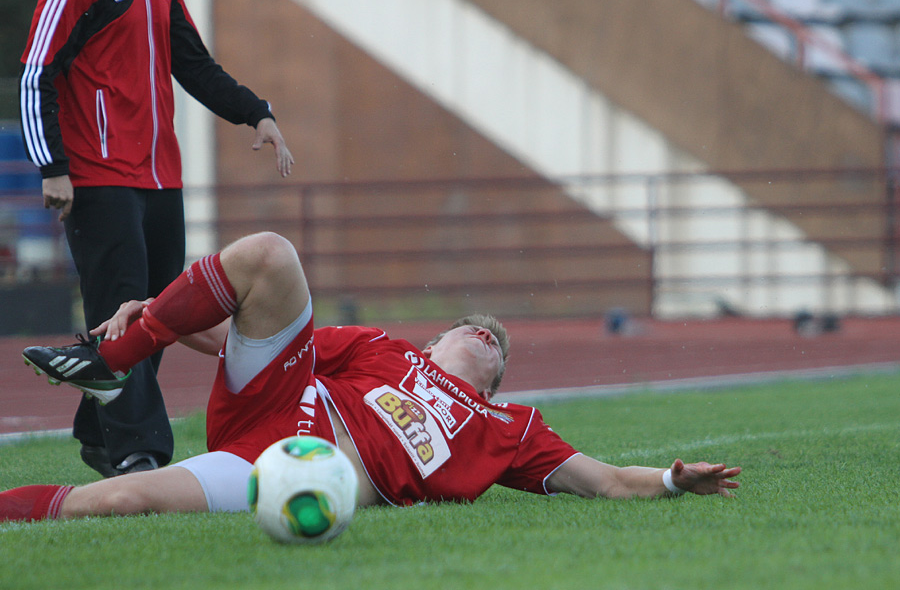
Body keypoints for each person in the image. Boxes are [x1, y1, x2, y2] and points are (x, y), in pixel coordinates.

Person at [2, 232, 740, 522]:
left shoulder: (508, 429)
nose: (488, 336)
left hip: (298, 467)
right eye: (473, 328)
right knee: (271, 255)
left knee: (119, 500)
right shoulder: (384, 348)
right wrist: (158, 317)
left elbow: (606, 480)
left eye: (499, 346)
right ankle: (110, 368)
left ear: (495, 383)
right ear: (440, 338)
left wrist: (675, 482)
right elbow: (257, 337)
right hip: (278, 398)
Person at [18, 0, 294, 477]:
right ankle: (137, 452)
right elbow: (35, 74)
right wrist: (53, 166)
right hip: (96, 173)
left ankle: (97, 432)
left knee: (159, 307)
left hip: (160, 175)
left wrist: (256, 112)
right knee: (119, 300)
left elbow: (193, 64)